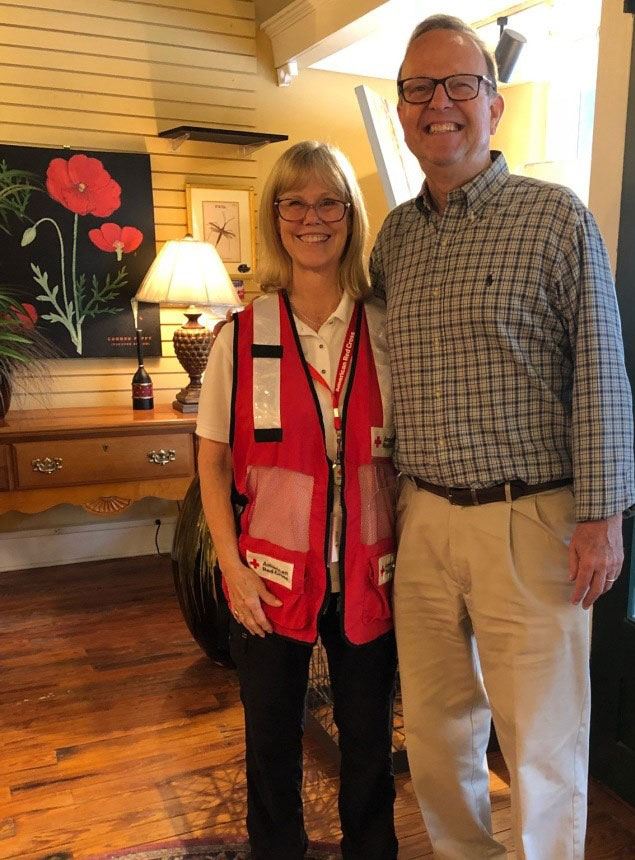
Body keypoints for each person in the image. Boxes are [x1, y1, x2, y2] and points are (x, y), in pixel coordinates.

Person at [369, 15, 635, 860]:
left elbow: (601, 371)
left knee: (542, 741)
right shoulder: (395, 239)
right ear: (402, 108)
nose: (438, 104)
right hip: (424, 519)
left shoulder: (555, 219)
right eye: (419, 88)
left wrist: (603, 517)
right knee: (440, 731)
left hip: (533, 519)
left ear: (496, 105)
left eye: (459, 86)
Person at [197, 141, 398, 860]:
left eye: (329, 202)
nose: (312, 218)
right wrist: (232, 565)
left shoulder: (387, 329)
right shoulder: (242, 336)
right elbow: (213, 458)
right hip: (270, 582)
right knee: (271, 744)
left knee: (370, 743)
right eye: (295, 203)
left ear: (350, 216)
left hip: (371, 581)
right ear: (274, 216)